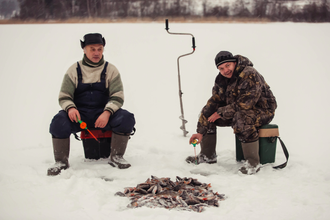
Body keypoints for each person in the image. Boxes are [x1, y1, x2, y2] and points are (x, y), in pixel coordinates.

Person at [47, 33, 136, 176]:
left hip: (103, 114)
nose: (96, 53)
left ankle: (117, 156)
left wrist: (107, 113)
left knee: (126, 118)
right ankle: (61, 161)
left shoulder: (111, 70)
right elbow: (64, 96)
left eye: (99, 49)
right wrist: (70, 108)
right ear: (84, 49)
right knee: (58, 122)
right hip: (80, 116)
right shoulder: (73, 70)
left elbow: (117, 97)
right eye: (92, 49)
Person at [187, 51, 277, 174]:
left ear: (235, 63)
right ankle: (207, 156)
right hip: (237, 110)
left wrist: (221, 112)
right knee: (209, 113)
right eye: (221, 68)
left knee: (241, 117)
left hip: (263, 111)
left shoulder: (249, 73)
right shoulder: (221, 79)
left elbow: (246, 103)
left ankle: (252, 164)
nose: (225, 70)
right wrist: (200, 131)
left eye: (228, 65)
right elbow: (214, 101)